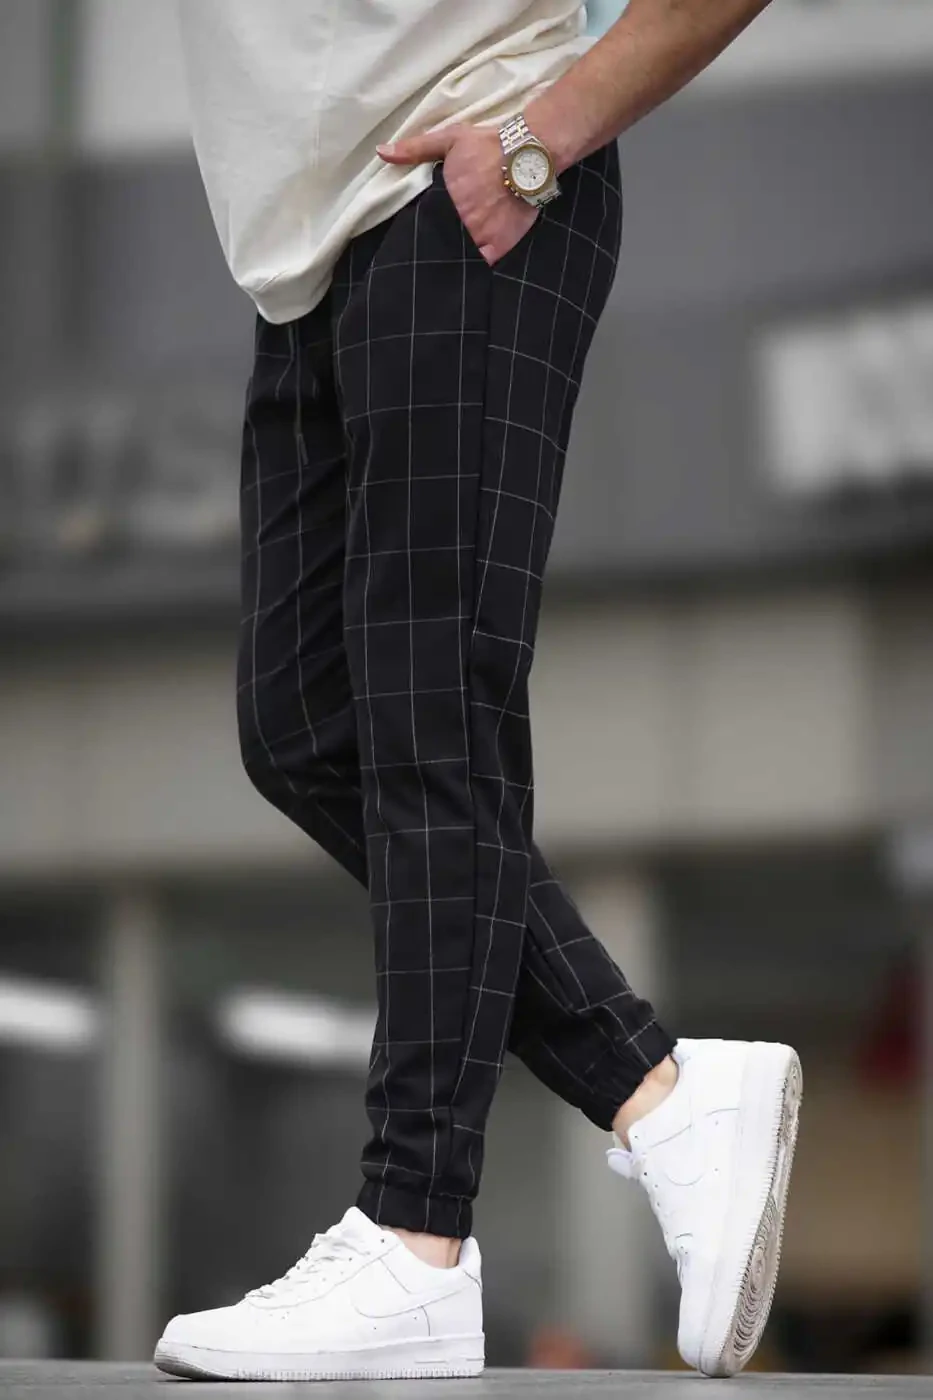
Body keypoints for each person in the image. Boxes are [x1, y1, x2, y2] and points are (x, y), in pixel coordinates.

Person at [156, 0, 801, 1382]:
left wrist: (543, 132)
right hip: (305, 257)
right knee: (302, 725)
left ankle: (417, 1237)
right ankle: (660, 1092)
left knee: (430, 716)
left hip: (473, 182)